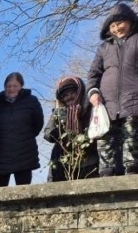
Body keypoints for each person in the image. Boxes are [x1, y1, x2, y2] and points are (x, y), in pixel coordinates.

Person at [88, 3, 138, 176]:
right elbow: (94, 73)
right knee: (106, 140)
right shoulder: (104, 48)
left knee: (131, 138)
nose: (117, 28)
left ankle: (133, 173)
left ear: (131, 21)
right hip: (108, 104)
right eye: (113, 25)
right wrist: (93, 92)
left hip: (133, 100)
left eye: (120, 23)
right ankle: (106, 175)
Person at [0, 73, 45, 187]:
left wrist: (26, 136)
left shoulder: (31, 101)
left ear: (21, 86)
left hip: (24, 151)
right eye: (8, 86)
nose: (11, 89)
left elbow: (38, 123)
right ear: (4, 87)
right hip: (0, 154)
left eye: (15, 86)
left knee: (24, 188)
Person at [45, 76, 100, 182]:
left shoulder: (89, 109)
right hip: (65, 163)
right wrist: (56, 134)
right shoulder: (59, 112)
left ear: (79, 92)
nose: (69, 97)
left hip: (89, 162)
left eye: (72, 93)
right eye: (65, 95)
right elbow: (48, 131)